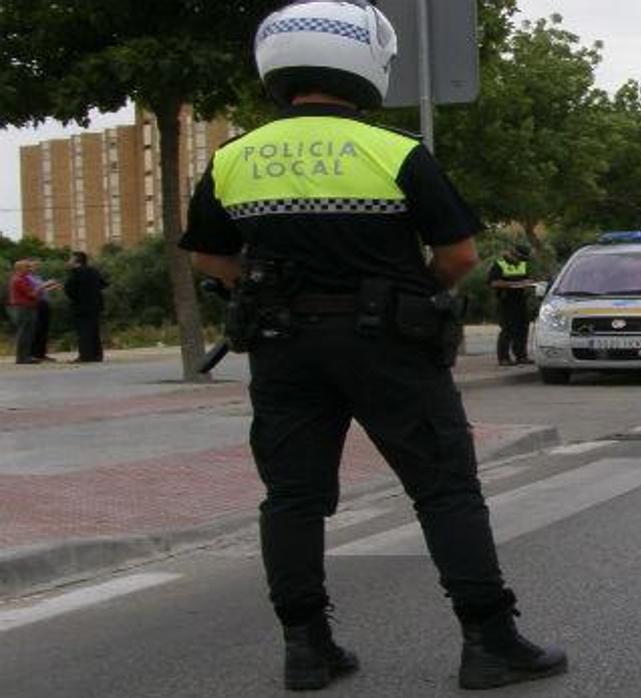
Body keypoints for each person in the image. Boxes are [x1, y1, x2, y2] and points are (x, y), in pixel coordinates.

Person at [178, 2, 566, 691]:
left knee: (292, 499)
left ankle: (307, 648)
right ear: (365, 63)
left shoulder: (232, 158)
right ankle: (489, 642)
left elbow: (209, 257)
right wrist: (407, 291)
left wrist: (265, 286)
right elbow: (459, 254)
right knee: (445, 489)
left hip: (283, 347)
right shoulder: (395, 152)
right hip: (391, 344)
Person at [488, 244, 535, 366]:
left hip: (520, 300)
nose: (521, 261)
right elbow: (493, 283)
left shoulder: (522, 264)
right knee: (507, 329)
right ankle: (504, 358)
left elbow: (526, 279)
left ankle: (521, 356)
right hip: (506, 301)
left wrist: (529, 283)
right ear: (513, 254)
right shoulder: (499, 264)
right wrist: (512, 284)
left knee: (522, 328)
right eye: (520, 258)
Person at [64, 251, 108, 362]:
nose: (68, 261)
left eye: (70, 259)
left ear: (76, 260)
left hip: (81, 307)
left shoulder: (75, 273)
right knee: (94, 330)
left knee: (83, 332)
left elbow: (69, 289)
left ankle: (85, 355)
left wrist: (78, 297)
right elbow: (104, 283)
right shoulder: (93, 271)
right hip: (95, 305)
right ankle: (97, 355)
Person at [7, 259, 40, 364]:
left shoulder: (24, 279)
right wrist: (41, 288)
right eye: (27, 267)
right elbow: (31, 294)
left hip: (28, 307)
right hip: (23, 308)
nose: (29, 269)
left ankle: (26, 356)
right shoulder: (18, 280)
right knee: (24, 333)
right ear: (20, 268)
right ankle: (22, 358)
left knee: (28, 333)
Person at [28, 259, 61, 362]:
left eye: (37, 265)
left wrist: (53, 287)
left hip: (45, 303)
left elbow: (42, 290)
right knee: (38, 329)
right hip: (37, 304)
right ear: (29, 267)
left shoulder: (38, 277)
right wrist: (48, 283)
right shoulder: (28, 278)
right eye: (34, 265)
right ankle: (34, 354)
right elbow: (35, 290)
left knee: (44, 329)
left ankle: (42, 353)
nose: (37, 267)